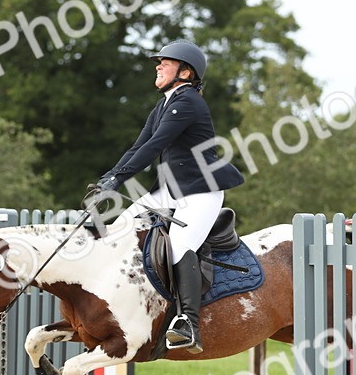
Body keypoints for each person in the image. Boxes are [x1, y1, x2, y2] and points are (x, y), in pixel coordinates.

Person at [85, 39, 244, 353]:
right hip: (169, 190)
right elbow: (138, 146)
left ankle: (189, 323)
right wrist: (110, 178)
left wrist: (119, 179)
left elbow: (154, 146)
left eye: (165, 62)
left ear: (185, 71)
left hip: (200, 191)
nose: (158, 66)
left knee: (179, 245)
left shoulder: (187, 103)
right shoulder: (164, 104)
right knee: (118, 230)